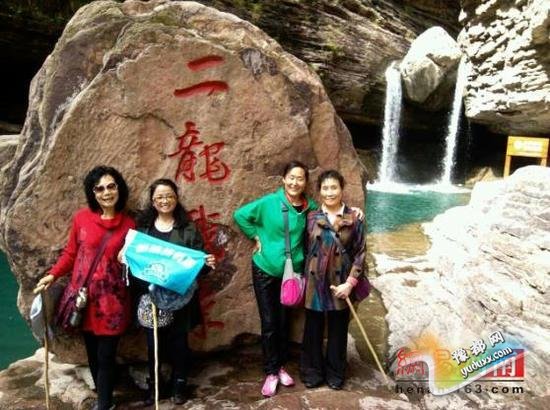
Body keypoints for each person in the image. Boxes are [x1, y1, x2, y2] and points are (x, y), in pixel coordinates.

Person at [35, 166, 135, 410]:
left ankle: (104, 405)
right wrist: (52, 275)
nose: (106, 193)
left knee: (106, 355)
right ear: (93, 193)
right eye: (99, 188)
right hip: (84, 299)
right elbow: (71, 253)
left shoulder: (129, 225)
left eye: (111, 186)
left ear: (119, 188)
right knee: (92, 352)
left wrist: (126, 260)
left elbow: (133, 264)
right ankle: (103, 398)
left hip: (113, 302)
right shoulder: (82, 218)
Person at [233, 161, 317, 397]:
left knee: (284, 321)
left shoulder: (309, 206)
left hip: (292, 274)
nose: (295, 183)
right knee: (270, 322)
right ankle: (271, 371)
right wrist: (255, 236)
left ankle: (280, 367)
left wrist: (355, 213)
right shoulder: (270, 202)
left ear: (305, 183)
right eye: (291, 177)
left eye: (300, 178)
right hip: (265, 269)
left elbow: (329, 214)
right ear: (283, 179)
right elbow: (240, 215)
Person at [132, 178, 215, 405]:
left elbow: (198, 262)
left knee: (179, 343)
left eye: (169, 196)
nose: (165, 201)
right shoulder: (143, 230)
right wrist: (125, 257)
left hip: (180, 297)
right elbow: (134, 260)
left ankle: (179, 384)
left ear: (176, 199)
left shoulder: (188, 229)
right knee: (154, 345)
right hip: (151, 296)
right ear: (152, 201)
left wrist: (207, 264)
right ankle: (155, 387)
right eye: (159, 197)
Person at [300, 170, 366, 390]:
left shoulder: (354, 218)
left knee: (338, 330)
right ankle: (312, 372)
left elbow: (360, 253)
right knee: (313, 328)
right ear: (319, 191)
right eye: (325, 188)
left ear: (342, 189)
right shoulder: (311, 217)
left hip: (341, 282)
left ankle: (336, 373)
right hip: (315, 281)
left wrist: (350, 284)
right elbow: (305, 248)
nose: (330, 192)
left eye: (334, 187)